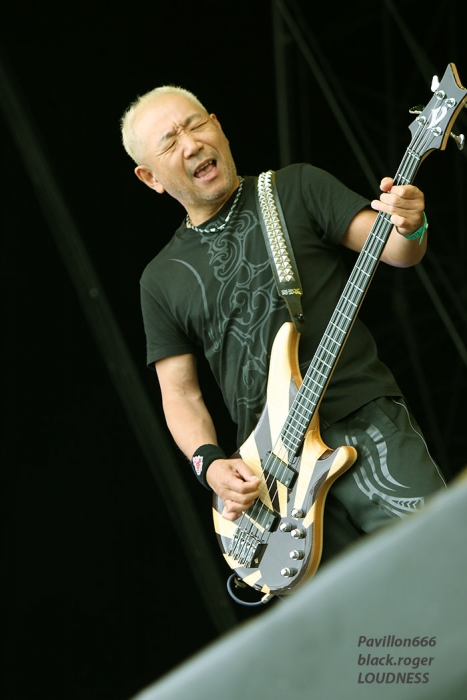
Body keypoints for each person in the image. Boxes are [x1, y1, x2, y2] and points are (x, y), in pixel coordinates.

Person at [120, 85, 446, 566]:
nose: (191, 144)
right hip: (274, 479)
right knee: (351, 613)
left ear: (218, 126)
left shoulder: (294, 188)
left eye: (196, 125)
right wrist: (210, 465)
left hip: (362, 418)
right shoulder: (161, 279)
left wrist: (412, 224)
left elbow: (396, 250)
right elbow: (180, 393)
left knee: (443, 561)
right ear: (150, 178)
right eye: (170, 142)